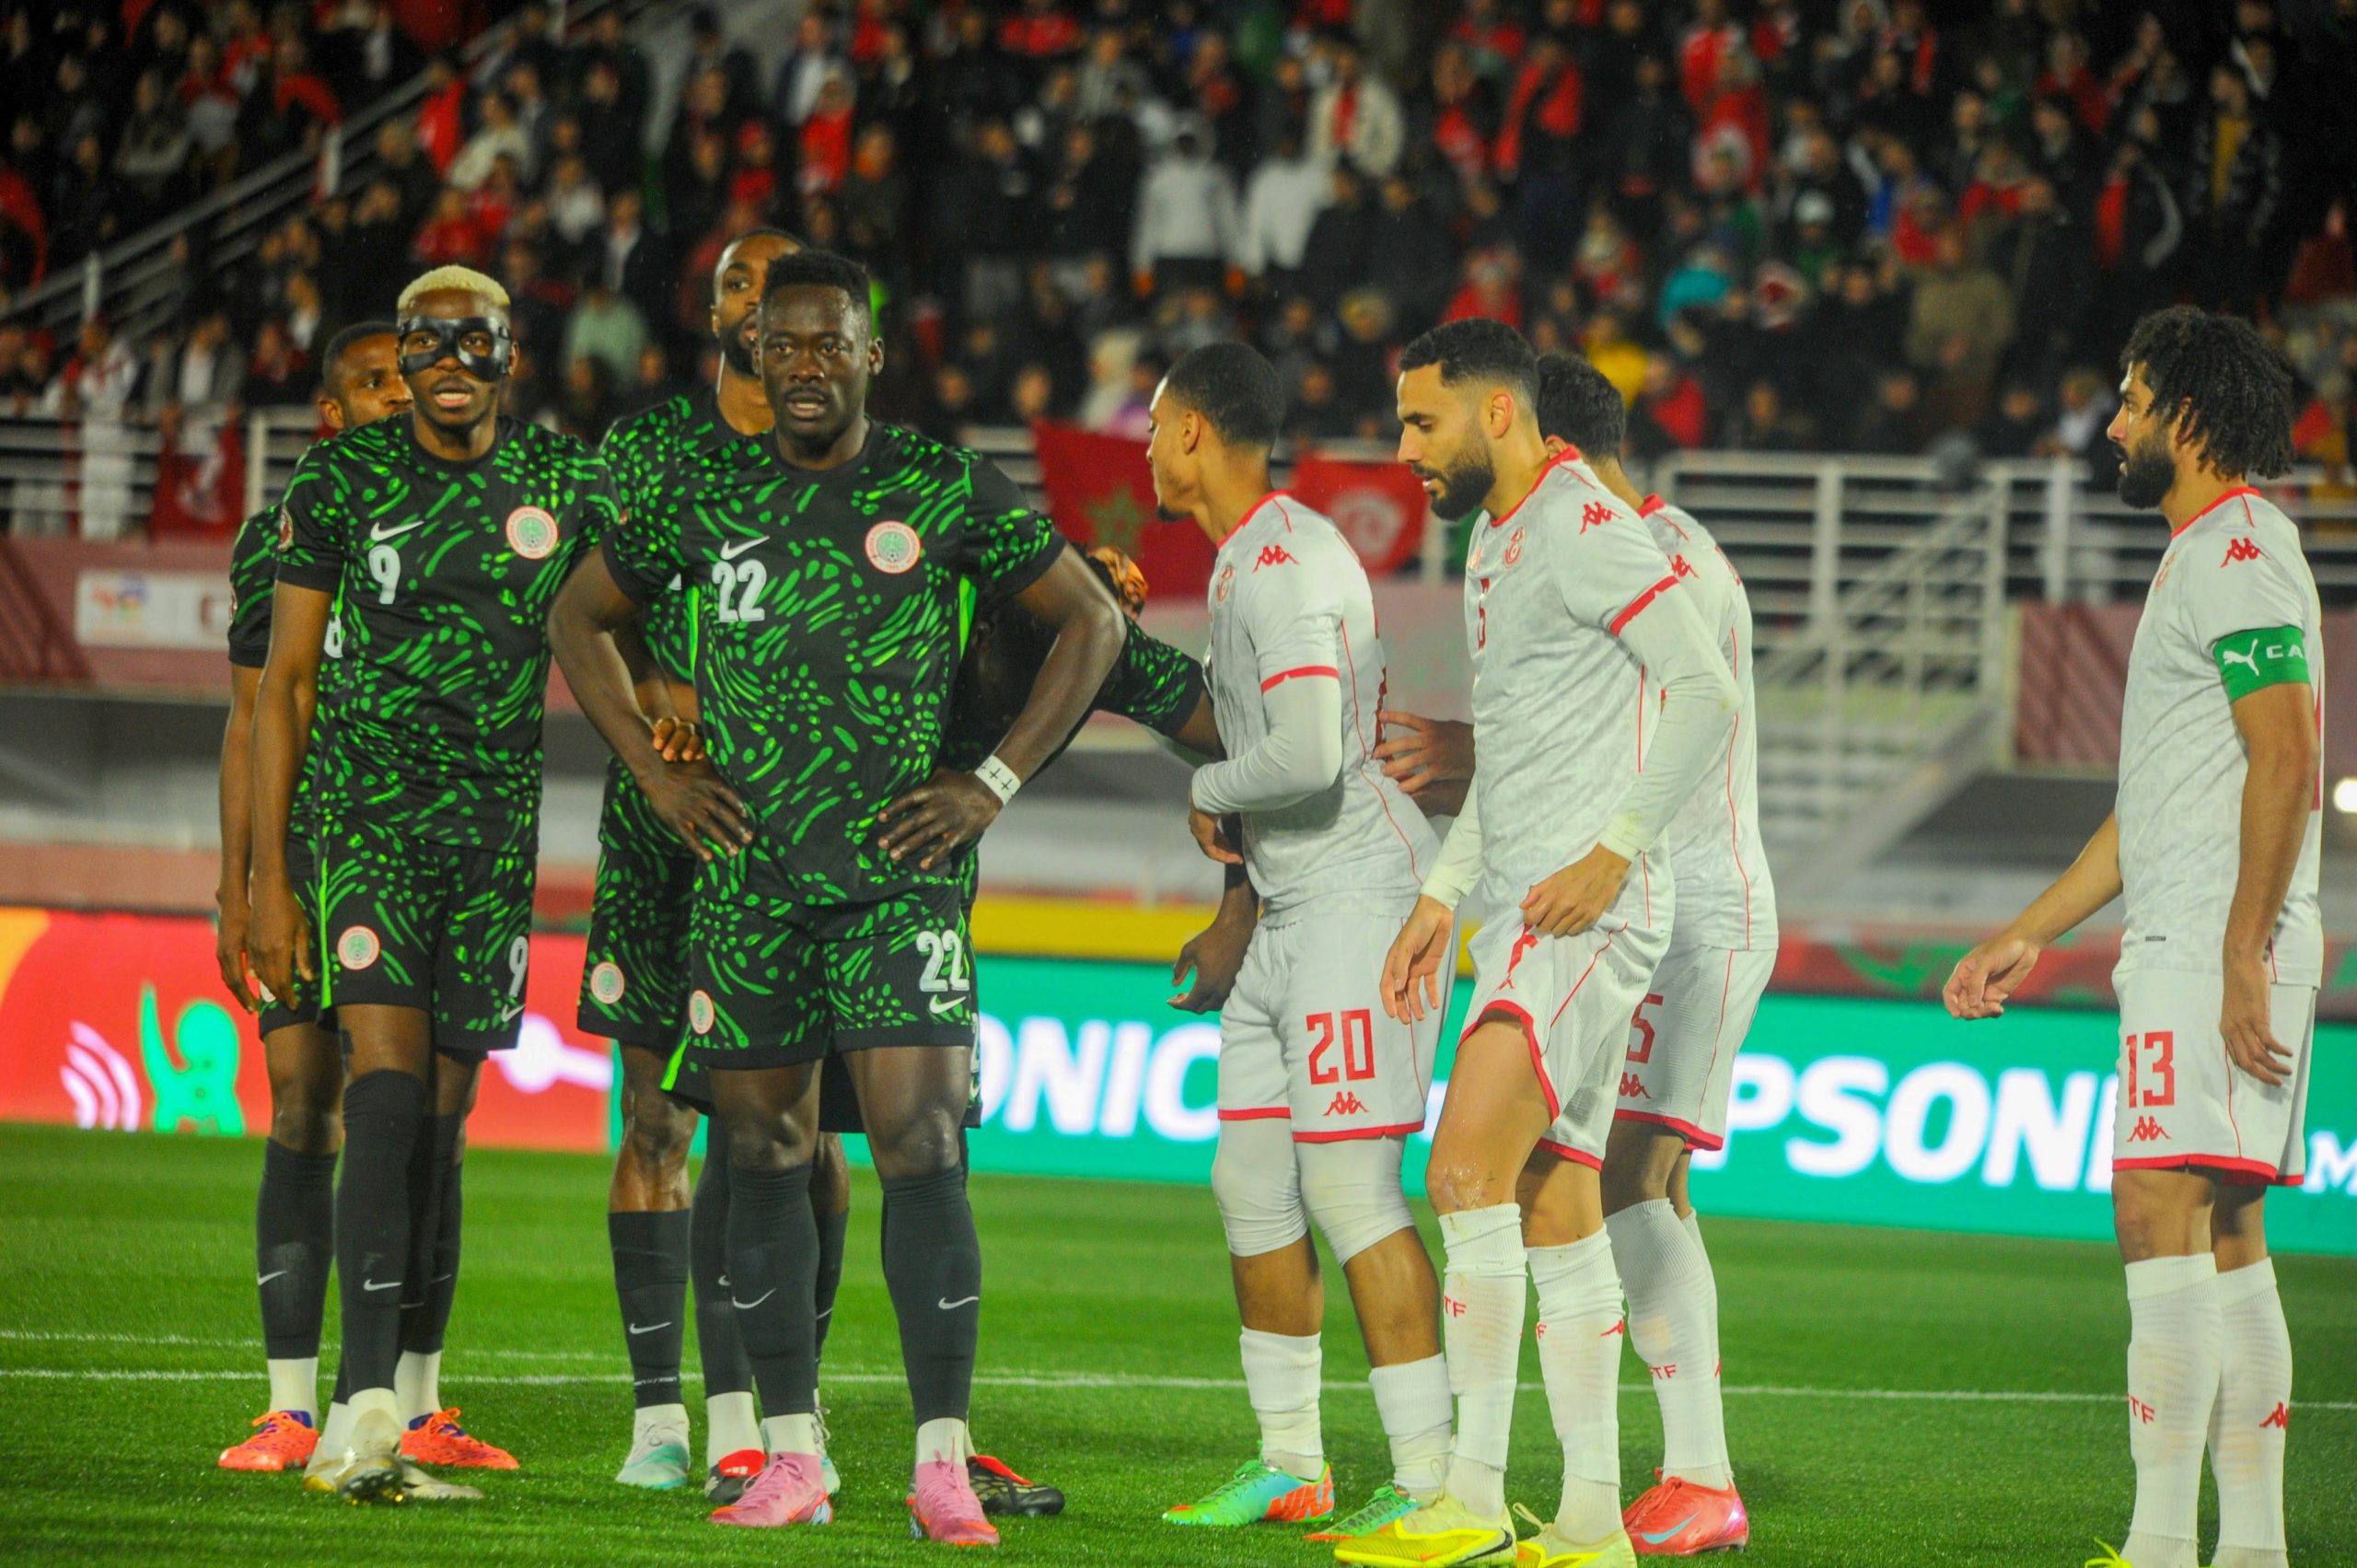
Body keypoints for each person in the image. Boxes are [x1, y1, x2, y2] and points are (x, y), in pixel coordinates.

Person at [546, 248, 1124, 1542]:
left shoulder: (937, 483)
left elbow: (1090, 619)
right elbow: (578, 618)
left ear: (871, 355)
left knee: (924, 1146)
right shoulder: (698, 490)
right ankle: (791, 1452)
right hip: (746, 883)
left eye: (829, 343)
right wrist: (654, 774)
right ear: (752, 353)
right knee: (762, 1155)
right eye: (781, 343)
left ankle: (941, 1457)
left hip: (894, 883)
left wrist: (990, 780)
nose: (805, 364)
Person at [1334, 319, 1736, 1568]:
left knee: (1462, 1171)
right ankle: (1588, 1520)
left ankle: (1467, 1491)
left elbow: (1706, 688)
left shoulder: (1577, 518)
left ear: (1498, 413)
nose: (1405, 449)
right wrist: (1445, 891)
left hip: (1585, 909)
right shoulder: (1498, 536)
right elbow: (1508, 755)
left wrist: (1617, 846)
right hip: (1519, 907)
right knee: (1554, 1204)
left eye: (1421, 422)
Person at [1945, 307, 2316, 1568]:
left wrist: (2236, 954)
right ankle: (2251, 1547)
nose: (2114, 423)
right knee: (2222, 1228)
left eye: (2133, 400)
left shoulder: (2237, 549)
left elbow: (2292, 755)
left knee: (2156, 1206)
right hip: (2198, 927)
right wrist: (2025, 933)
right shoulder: (2205, 553)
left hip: (2216, 940)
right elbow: (2148, 808)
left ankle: (2162, 1541)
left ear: (2190, 420)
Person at [247, 265, 617, 1504]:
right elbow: (283, 683)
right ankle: (356, 1413)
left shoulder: (563, 481)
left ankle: (406, 1396)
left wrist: (666, 708)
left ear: (512, 352)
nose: (450, 358)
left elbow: (635, 611)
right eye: (426, 340)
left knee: (440, 1120)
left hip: (495, 838)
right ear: (400, 358)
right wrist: (267, 877)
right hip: (371, 824)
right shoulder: (344, 479)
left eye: (476, 337)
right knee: (388, 1094)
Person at [1146, 343, 1454, 1545]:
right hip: (1288, 906)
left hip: (1362, 897)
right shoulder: (1247, 558)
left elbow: (1314, 753)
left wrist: (1212, 782)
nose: (1147, 444)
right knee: (1250, 1181)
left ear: (1195, 434)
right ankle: (1291, 1463)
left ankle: (1430, 1476)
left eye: (1158, 421)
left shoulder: (1281, 560)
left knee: (1349, 1181)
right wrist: (1236, 910)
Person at [214, 321, 414, 1478]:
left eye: (405, 376)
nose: (397, 394)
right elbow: (248, 720)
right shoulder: (276, 538)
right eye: (373, 383)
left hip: (417, 854)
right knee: (302, 1101)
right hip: (306, 856)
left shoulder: (461, 522)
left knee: (414, 1116)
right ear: (331, 415)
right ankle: (290, 1404)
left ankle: (411, 1397)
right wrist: (242, 883)